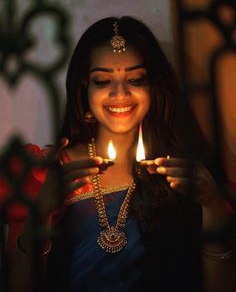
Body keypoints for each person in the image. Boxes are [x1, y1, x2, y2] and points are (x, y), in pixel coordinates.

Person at [6, 16, 236, 291]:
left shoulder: (184, 175)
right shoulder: (48, 172)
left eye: (135, 79)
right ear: (84, 90)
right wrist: (39, 214)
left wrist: (212, 207)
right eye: (103, 81)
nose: (120, 93)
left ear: (154, 88)